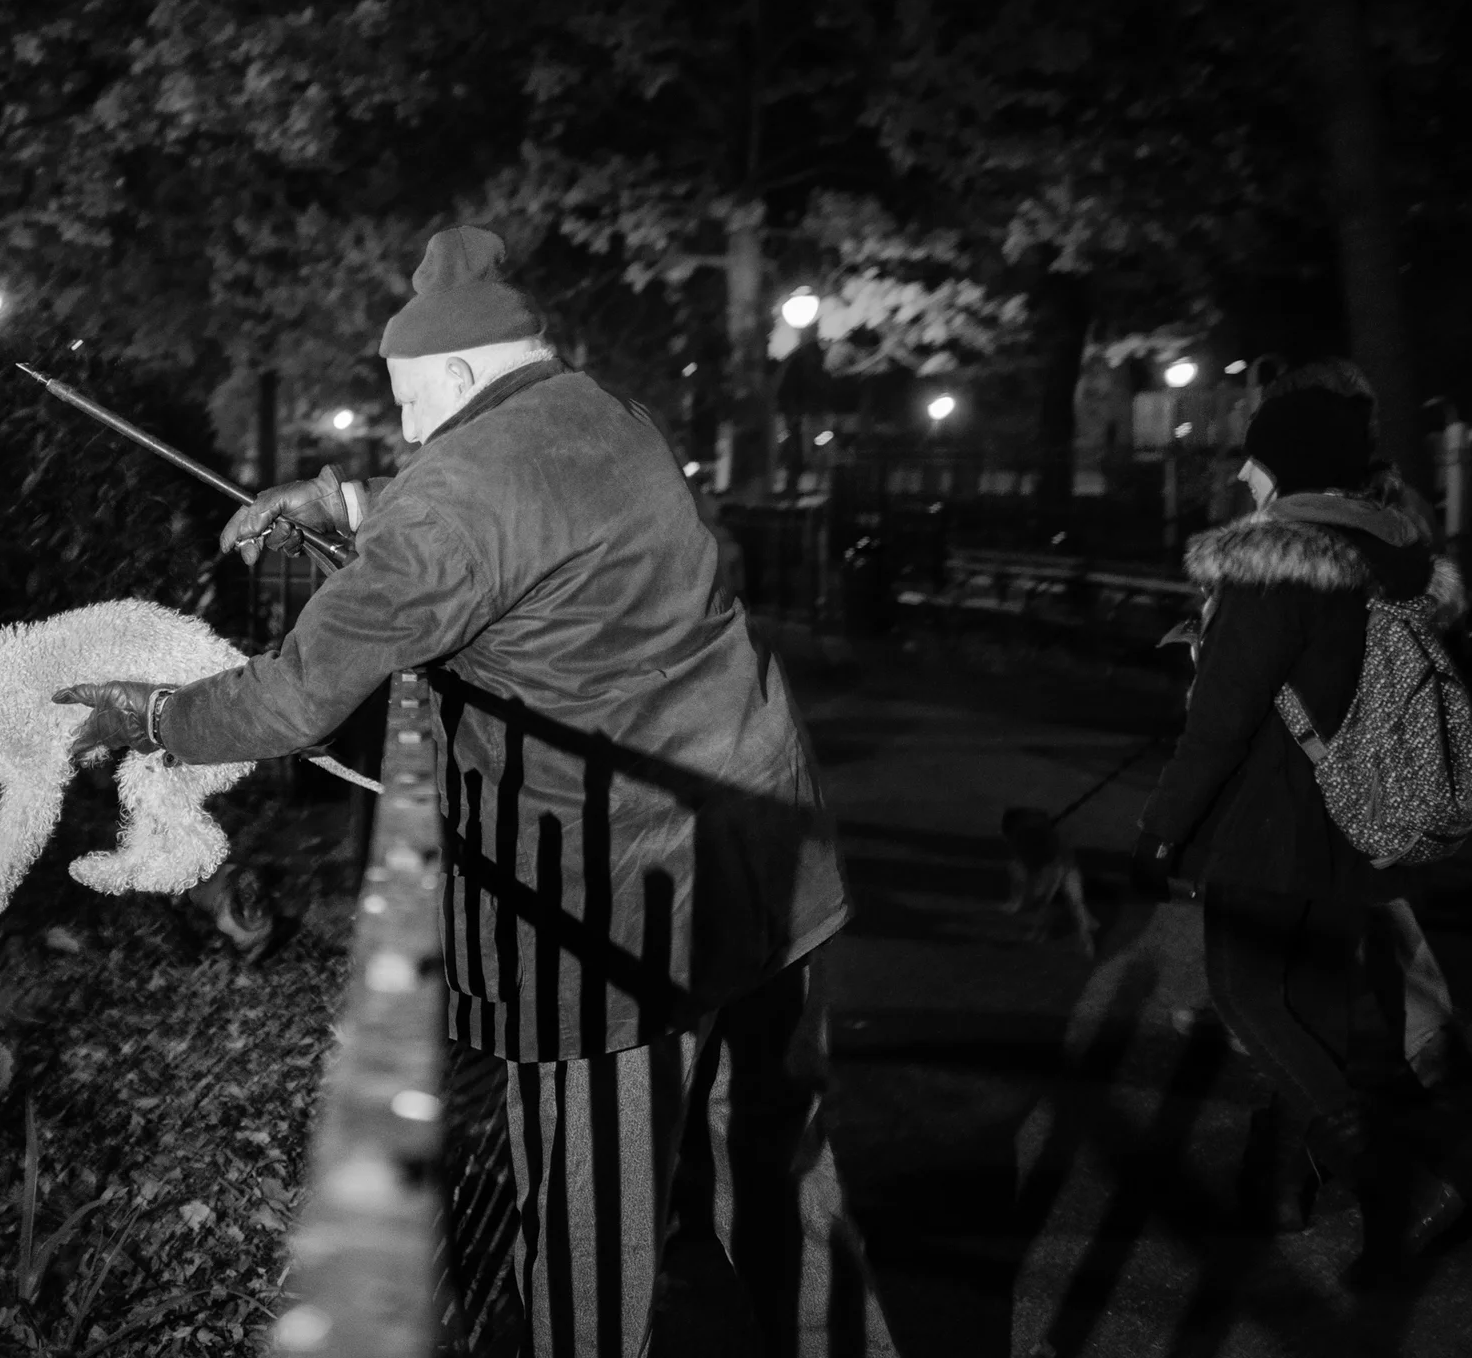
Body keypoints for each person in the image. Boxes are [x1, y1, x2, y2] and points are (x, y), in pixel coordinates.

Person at [57, 226, 896, 1357]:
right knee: (778, 1162)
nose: (408, 430)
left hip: (620, 908)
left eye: (408, 402)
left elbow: (294, 698)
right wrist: (347, 504)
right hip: (767, 851)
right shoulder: (608, 413)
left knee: (594, 1228)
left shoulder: (451, 495)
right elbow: (517, 497)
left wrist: (153, 716)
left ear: (454, 373)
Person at [1129, 361, 1469, 1271]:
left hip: (1269, 823)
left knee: (1247, 995)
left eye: (1256, 460)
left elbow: (1220, 724)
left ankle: (1401, 1182)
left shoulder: (1273, 566)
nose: (1244, 474)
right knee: (1311, 1005)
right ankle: (1284, 1187)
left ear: (1287, 467)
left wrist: (1160, 829)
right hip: (1358, 814)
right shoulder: (1392, 558)